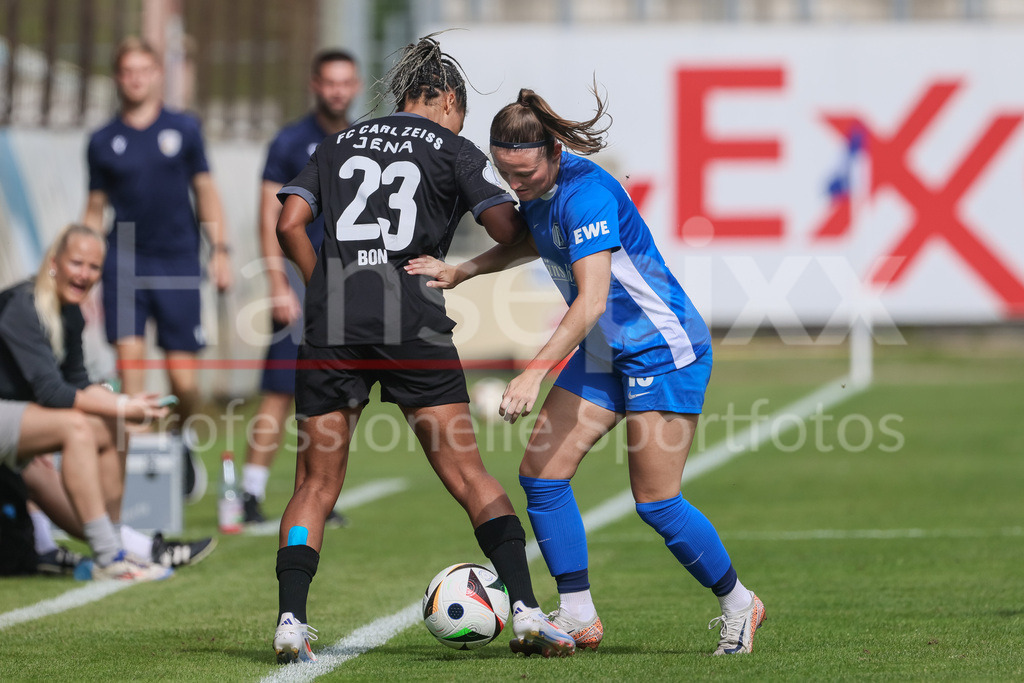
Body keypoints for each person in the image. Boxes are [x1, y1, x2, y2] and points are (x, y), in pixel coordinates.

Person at [405, 87, 766, 656]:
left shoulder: (588, 193)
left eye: (524, 174)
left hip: (660, 349)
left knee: (657, 502)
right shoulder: (540, 185)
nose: (515, 187)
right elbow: (529, 239)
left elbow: (592, 299)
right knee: (542, 476)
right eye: (505, 174)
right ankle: (577, 614)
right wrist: (463, 271)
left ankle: (740, 604)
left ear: (552, 151)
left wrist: (532, 373)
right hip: (605, 352)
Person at [270, 35, 576, 663]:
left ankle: (290, 622)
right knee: (468, 474)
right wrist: (462, 267)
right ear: (444, 101)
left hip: (334, 326)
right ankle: (523, 609)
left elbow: (287, 223)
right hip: (412, 318)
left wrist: (324, 288)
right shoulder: (453, 147)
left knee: (315, 484)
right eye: (459, 113)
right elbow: (511, 232)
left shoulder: (338, 141)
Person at [82, 37, 232, 504]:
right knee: (132, 382)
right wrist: (85, 263)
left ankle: (180, 438)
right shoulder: (102, 140)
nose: (136, 78)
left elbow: (205, 190)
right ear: (117, 77)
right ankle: (137, 495)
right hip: (123, 262)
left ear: (156, 74)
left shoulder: (184, 129)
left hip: (179, 260)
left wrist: (220, 248)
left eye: (144, 69)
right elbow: (94, 207)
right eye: (127, 70)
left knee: (185, 384)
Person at [0, 224, 174, 581]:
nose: (85, 274)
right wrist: (124, 406)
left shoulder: (71, 312)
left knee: (109, 425)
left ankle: (115, 546)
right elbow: (53, 393)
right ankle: (109, 558)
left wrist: (123, 405)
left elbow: (77, 384)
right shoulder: (23, 304)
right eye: (77, 263)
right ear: (54, 261)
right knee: (77, 426)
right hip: (12, 419)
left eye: (94, 267)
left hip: (16, 425)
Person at [241, 49, 362, 526]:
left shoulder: (362, 138)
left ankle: (315, 493)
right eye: (329, 82)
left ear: (355, 86)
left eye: (346, 82)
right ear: (315, 83)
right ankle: (249, 491)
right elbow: (269, 215)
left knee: (337, 393)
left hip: (348, 280)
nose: (337, 90)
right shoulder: (291, 141)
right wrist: (277, 282)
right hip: (299, 276)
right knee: (279, 388)